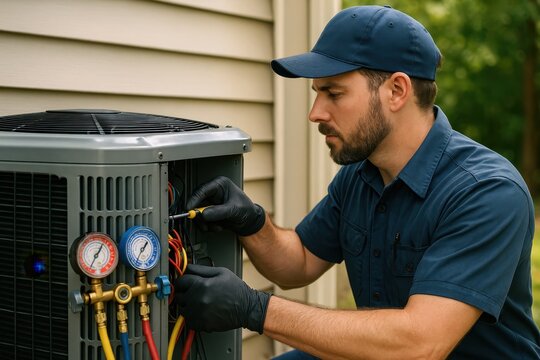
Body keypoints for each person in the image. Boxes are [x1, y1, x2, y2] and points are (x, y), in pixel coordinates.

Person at [175, 5, 540, 359]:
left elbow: (419, 345)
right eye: (317, 93)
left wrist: (254, 309)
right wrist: (253, 222)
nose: (316, 113)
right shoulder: (362, 174)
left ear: (397, 91)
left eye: (334, 93)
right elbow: (298, 262)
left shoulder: (486, 191)